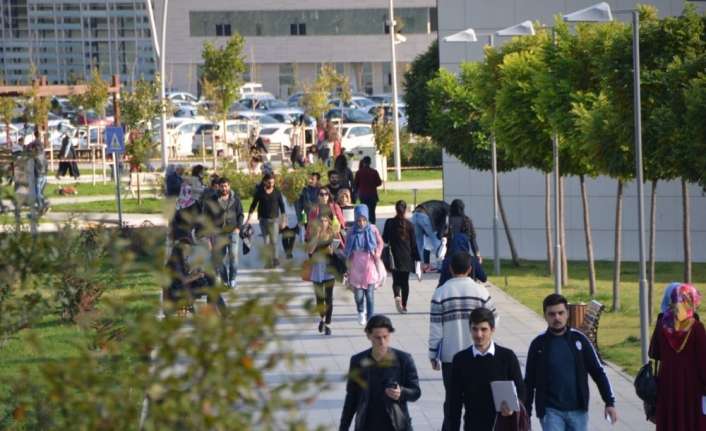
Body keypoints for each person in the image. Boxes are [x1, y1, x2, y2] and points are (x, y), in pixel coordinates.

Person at [524, 293, 618, 430]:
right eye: (552, 314)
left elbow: (598, 372)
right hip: (550, 411)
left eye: (561, 313)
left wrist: (609, 402)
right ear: (545, 316)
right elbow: (529, 381)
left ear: (567, 313)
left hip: (578, 411)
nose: (557, 317)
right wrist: (526, 413)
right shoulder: (538, 345)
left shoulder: (579, 340)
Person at [429, 251, 497, 430]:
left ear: (450, 269)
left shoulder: (440, 293)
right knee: (477, 404)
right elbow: (494, 318)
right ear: (470, 269)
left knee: (452, 404)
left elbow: (436, 328)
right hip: (478, 354)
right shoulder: (481, 291)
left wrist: (433, 354)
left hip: (450, 358)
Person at [446, 307, 525, 431]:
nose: (479, 334)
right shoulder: (460, 360)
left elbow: (521, 390)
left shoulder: (507, 357)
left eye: (484, 329)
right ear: (470, 329)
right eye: (475, 329)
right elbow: (454, 401)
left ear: (492, 330)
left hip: (503, 425)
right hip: (473, 425)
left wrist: (512, 407)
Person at [340, 315, 421, 431]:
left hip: (396, 425)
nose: (382, 342)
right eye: (377, 338)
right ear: (369, 336)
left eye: (385, 337)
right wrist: (343, 427)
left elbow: (416, 392)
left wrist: (401, 392)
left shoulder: (404, 359)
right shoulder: (358, 361)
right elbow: (351, 398)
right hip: (366, 425)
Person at [648, 283, 706, 431]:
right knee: (690, 421)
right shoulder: (697, 328)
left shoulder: (662, 324)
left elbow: (654, 352)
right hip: (691, 387)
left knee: (670, 420)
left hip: (667, 383)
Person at [344, 204, 384, 326]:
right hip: (356, 268)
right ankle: (361, 311)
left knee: (370, 296)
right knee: (358, 296)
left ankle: (370, 319)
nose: (361, 223)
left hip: (369, 267)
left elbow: (380, 243)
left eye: (363, 220)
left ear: (367, 219)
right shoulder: (351, 232)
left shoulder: (372, 229)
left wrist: (377, 253)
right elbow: (347, 249)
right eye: (359, 220)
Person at [164, 237, 226, 315]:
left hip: (184, 287)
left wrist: (195, 272)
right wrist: (196, 276)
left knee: (210, 279)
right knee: (210, 284)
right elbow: (181, 281)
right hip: (178, 293)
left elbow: (183, 276)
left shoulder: (180, 260)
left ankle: (216, 309)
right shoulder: (174, 264)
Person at [202, 177, 244, 289]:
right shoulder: (212, 200)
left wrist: (238, 228)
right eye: (222, 186)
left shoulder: (235, 199)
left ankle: (233, 279)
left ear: (229, 186)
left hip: (233, 232)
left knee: (233, 257)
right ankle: (225, 279)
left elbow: (240, 215)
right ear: (218, 187)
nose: (224, 188)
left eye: (226, 186)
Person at [382, 200, 419, 313]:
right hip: (406, 257)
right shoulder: (410, 225)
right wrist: (418, 259)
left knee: (396, 280)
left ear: (395, 209)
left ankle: (397, 296)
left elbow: (385, 239)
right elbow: (413, 244)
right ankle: (404, 305)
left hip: (394, 255)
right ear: (405, 210)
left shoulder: (389, 222)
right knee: (405, 282)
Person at [307, 208, 337, 336]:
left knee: (328, 297)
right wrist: (318, 236)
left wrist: (332, 250)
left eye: (326, 220)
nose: (323, 222)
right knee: (320, 298)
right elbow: (309, 251)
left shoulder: (333, 234)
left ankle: (328, 323)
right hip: (317, 268)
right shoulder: (313, 234)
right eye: (321, 220)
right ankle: (322, 319)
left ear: (329, 221)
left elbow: (338, 251)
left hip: (329, 268)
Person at [246, 173, 286, 268]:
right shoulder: (260, 192)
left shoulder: (277, 192)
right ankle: (268, 261)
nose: (271, 184)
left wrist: (284, 220)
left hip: (274, 220)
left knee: (274, 241)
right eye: (269, 182)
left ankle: (275, 259)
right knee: (266, 241)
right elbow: (253, 205)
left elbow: (282, 206)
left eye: (272, 182)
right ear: (264, 182)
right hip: (263, 220)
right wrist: (248, 219)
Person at [447, 199, 482, 263]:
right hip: (464, 255)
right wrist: (477, 255)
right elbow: (473, 240)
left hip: (449, 254)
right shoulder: (467, 220)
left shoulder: (447, 220)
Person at [412, 205, 441, 273]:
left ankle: (420, 267)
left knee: (418, 243)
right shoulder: (439, 211)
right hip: (423, 216)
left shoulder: (430, 205)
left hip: (414, 215)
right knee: (435, 240)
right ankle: (440, 265)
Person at [354, 156, 382, 225]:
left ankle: (365, 224)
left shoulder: (359, 172)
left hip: (363, 195)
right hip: (373, 195)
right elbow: (379, 183)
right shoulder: (374, 172)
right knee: (372, 212)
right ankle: (372, 225)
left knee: (364, 211)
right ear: (370, 162)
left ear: (363, 163)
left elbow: (355, 184)